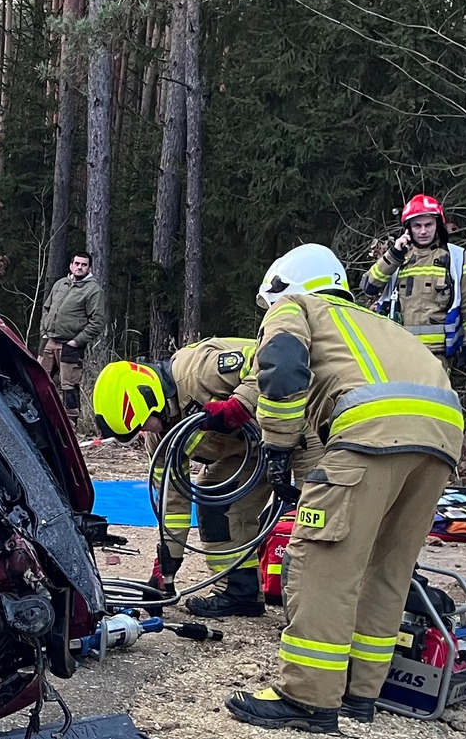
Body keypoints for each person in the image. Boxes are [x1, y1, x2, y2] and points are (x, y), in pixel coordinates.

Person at [227, 243, 464, 733]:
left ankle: (308, 697)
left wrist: (278, 443)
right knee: (387, 566)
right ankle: (361, 693)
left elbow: (282, 366)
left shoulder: (297, 306)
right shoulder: (379, 323)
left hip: (371, 432)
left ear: (285, 286)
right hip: (442, 437)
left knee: (322, 563)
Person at [92, 341, 290, 618]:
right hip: (250, 450)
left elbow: (276, 362)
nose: (145, 432)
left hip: (298, 427)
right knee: (215, 500)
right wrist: (167, 560)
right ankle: (240, 591)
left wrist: (238, 406)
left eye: (142, 424)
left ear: (150, 399)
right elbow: (172, 500)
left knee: (317, 514)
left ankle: (313, 610)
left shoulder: (199, 372)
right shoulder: (160, 439)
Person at [358, 194, 466, 368]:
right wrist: (394, 255)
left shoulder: (457, 257)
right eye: (417, 226)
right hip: (399, 352)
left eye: (428, 225)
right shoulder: (397, 257)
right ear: (408, 228)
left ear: (438, 225)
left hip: (438, 356)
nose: (423, 231)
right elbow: (368, 286)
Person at [39, 253, 103, 415]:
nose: (79, 267)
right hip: (48, 341)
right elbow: (46, 308)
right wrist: (44, 332)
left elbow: (97, 322)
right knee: (38, 379)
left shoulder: (93, 290)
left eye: (84, 264)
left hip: (69, 345)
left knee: (69, 386)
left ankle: (71, 422)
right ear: (71, 265)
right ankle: (41, 416)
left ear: (89, 268)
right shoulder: (60, 284)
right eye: (77, 263)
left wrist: (76, 341)